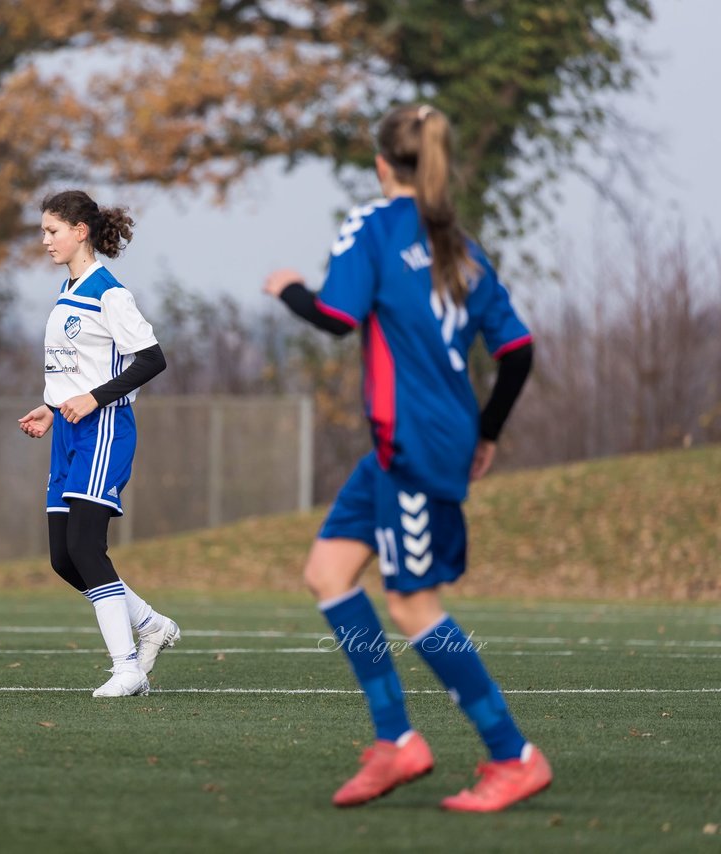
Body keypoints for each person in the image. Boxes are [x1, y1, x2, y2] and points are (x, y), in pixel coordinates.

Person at [263, 104, 547, 812]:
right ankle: (396, 741)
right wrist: (486, 432)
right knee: (327, 572)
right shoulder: (461, 244)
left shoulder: (376, 226)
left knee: (414, 602)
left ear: (383, 164)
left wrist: (287, 288)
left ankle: (513, 756)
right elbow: (516, 351)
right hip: (421, 441)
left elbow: (334, 317)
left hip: (415, 444)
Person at [18, 190, 179, 699]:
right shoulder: (69, 291)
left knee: (87, 547)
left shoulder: (109, 292)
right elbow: (77, 368)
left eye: (52, 230)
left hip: (104, 429)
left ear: (80, 231)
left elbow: (152, 359)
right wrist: (54, 405)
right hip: (67, 430)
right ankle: (151, 623)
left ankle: (128, 668)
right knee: (64, 560)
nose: (45, 240)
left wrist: (91, 399)